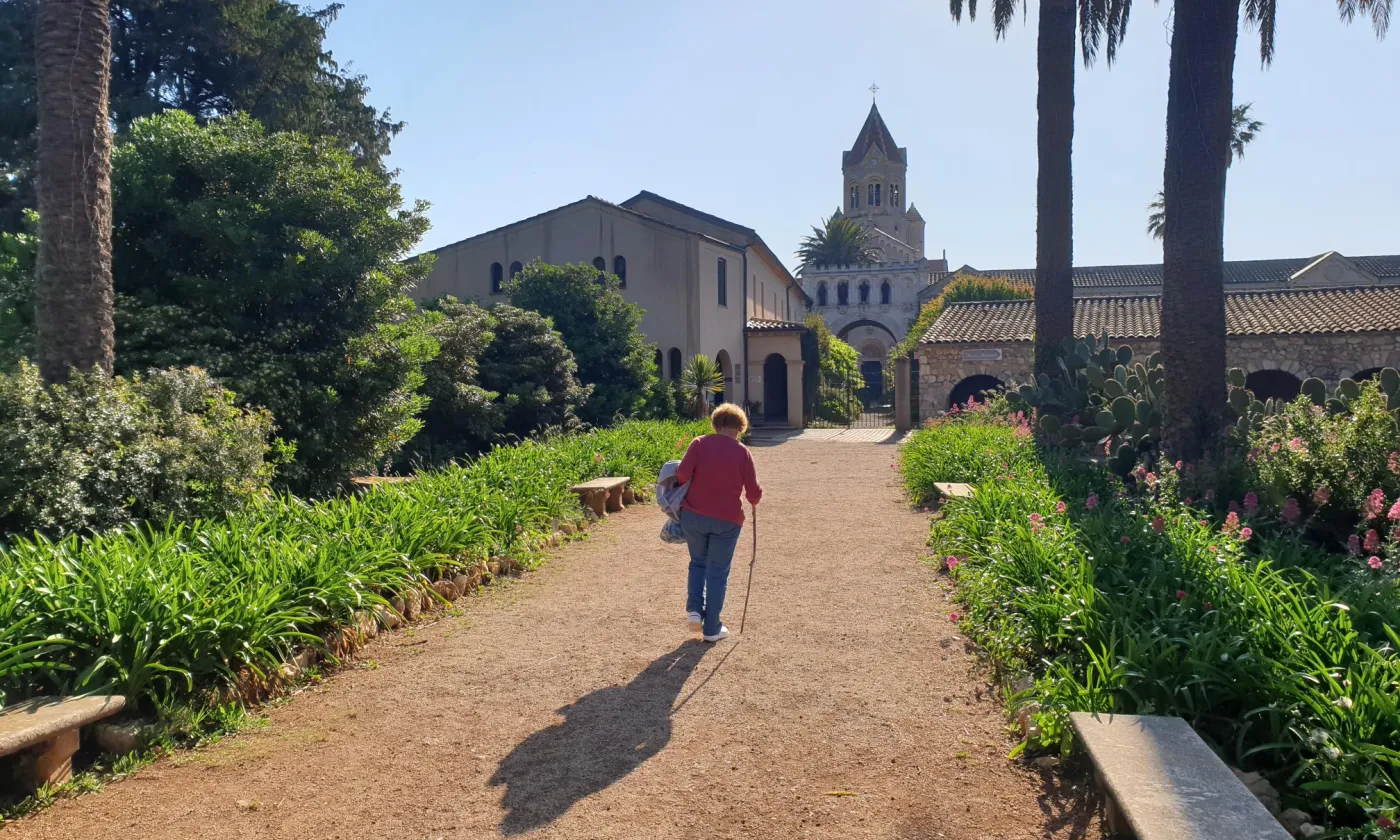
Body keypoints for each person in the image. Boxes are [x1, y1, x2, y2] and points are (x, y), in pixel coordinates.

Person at [676, 403, 762, 642]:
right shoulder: (742, 452)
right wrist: (756, 498)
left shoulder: (699, 443)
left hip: (694, 515)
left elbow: (682, 474)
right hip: (727, 520)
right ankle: (712, 628)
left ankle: (694, 610)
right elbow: (753, 493)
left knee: (698, 563)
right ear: (740, 428)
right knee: (718, 571)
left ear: (715, 425)